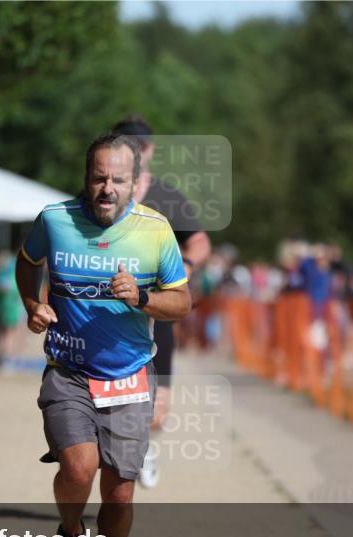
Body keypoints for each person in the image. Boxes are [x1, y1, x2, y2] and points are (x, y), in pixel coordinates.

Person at [16, 133, 191, 537]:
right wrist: (33, 305)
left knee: (119, 492)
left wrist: (140, 297)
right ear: (86, 178)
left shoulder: (155, 231)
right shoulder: (55, 220)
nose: (107, 188)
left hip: (129, 376)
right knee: (79, 468)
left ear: (135, 182)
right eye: (98, 178)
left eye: (117, 179)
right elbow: (26, 264)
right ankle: (70, 534)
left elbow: (181, 303)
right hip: (68, 371)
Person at [113, 114, 212, 489]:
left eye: (141, 146)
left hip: (157, 315)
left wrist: (185, 264)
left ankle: (145, 446)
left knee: (156, 412)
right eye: (127, 145)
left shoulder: (166, 197)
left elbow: (200, 241)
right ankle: (120, 461)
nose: (136, 152)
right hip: (108, 316)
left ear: (150, 150)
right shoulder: (103, 193)